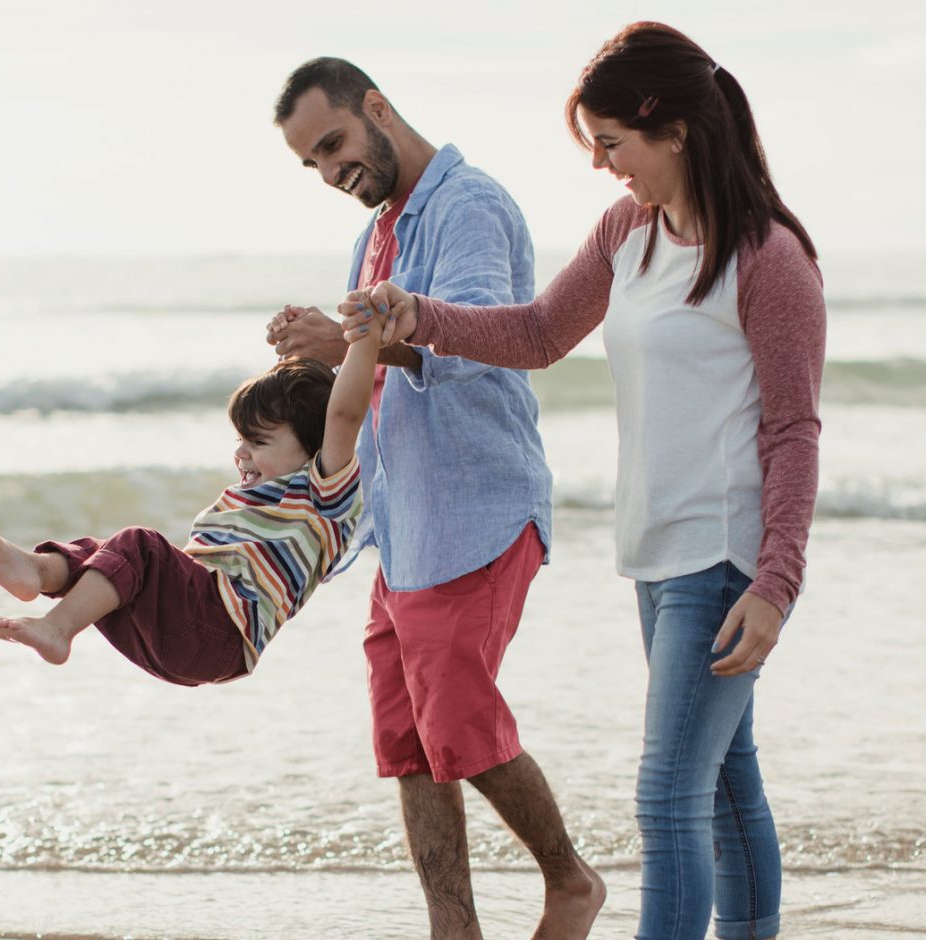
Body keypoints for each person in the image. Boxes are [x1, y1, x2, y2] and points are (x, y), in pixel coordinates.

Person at [342, 22, 825, 940]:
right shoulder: (627, 232)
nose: (604, 168)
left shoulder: (769, 259)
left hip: (724, 559)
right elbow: (535, 336)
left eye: (612, 144)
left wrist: (776, 583)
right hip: (652, 550)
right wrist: (418, 315)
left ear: (673, 129)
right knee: (727, 778)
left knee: (667, 796)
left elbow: (793, 430)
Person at [268, 57, 603, 940]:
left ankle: (569, 882)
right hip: (404, 524)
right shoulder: (376, 231)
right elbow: (371, 368)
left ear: (377, 107)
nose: (333, 172)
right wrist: (318, 353)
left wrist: (366, 341)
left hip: (478, 510)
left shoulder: (468, 206)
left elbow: (478, 338)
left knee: (454, 720)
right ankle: (451, 930)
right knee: (409, 745)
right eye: (313, 163)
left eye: (335, 144)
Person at [0, 308, 384, 683]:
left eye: (257, 443)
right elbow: (299, 400)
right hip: (186, 637)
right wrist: (295, 345)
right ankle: (37, 571)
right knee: (103, 555)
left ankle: (57, 629)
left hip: (218, 631)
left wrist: (363, 338)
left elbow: (342, 413)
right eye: (240, 439)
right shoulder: (270, 490)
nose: (241, 453)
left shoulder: (323, 492)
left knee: (139, 547)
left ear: (316, 445)